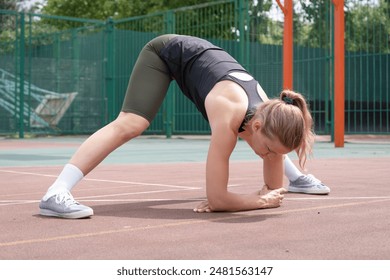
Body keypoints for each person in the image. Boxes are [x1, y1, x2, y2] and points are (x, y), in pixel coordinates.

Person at [39, 34, 330, 219]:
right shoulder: (229, 116)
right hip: (166, 53)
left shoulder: (271, 114)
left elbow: (271, 191)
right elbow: (218, 199)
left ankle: (298, 178)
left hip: (208, 72)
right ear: (256, 126)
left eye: (277, 154)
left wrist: (261, 194)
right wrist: (256, 201)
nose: (270, 158)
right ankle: (56, 192)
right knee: (132, 122)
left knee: (270, 149)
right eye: (269, 151)